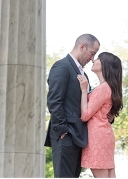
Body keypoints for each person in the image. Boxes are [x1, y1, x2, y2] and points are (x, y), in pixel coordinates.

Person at [45, 34, 100, 178]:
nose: (92, 58)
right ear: (82, 47)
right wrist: (63, 131)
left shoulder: (84, 75)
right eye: (92, 53)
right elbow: (54, 101)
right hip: (66, 135)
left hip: (79, 136)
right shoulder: (62, 66)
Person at [76, 52, 123, 178]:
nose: (93, 60)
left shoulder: (103, 88)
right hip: (104, 135)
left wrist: (84, 90)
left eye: (97, 59)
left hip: (97, 138)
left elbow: (85, 115)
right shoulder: (109, 87)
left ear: (105, 65)